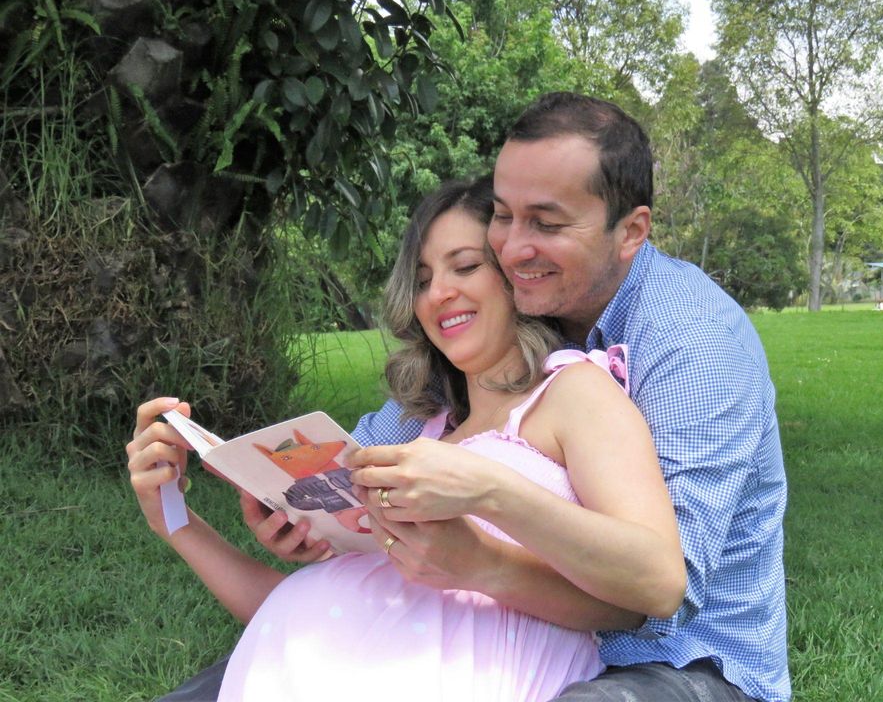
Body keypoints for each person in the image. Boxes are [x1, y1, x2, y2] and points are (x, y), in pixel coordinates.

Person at [163, 91, 791, 702]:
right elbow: (364, 462)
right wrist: (300, 515)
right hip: (447, 638)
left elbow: (662, 593)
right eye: (503, 217)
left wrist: (481, 531)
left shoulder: (690, 343)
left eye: (545, 223)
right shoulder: (473, 368)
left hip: (688, 662)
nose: (515, 250)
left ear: (631, 232)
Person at [127, 177, 685, 701]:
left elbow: (657, 580)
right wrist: (175, 522)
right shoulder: (430, 435)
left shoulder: (571, 392)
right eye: (421, 280)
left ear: (517, 275)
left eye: (464, 266)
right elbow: (345, 611)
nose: (438, 293)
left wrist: (488, 499)